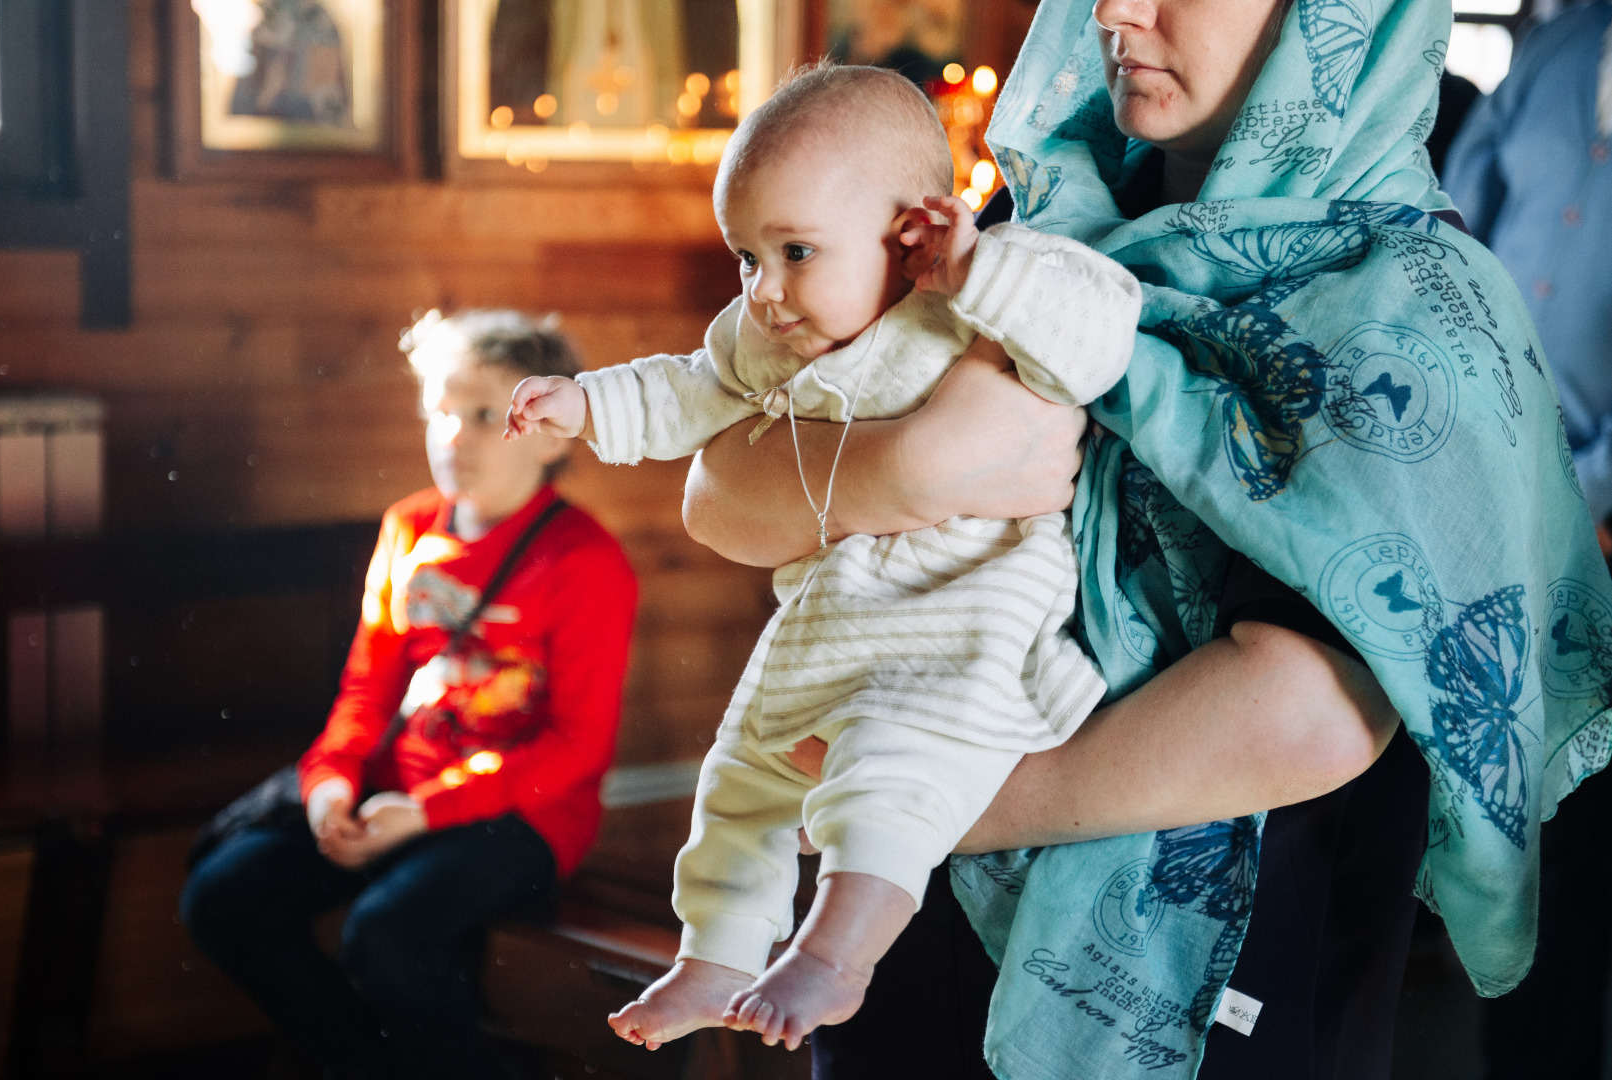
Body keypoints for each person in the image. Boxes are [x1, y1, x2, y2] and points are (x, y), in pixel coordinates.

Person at [679, 0, 1612, 1078]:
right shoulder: (1013, 230)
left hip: (1199, 994)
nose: (1118, 11)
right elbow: (722, 475)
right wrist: (912, 465)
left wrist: (930, 803)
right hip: (898, 949)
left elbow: (1311, 715)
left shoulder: (1413, 304)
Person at [505, 62, 1143, 1053]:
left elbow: (1100, 329)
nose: (763, 293)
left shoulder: (976, 304)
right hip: (828, 627)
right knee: (739, 781)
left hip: (962, 626)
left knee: (889, 776)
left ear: (912, 228)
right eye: (746, 260)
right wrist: (588, 405)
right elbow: (688, 389)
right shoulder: (773, 336)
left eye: (794, 251)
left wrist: (981, 269)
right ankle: (712, 959)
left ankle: (838, 954)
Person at [180, 310, 638, 1080]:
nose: (453, 437)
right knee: (224, 898)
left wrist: (426, 814)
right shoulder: (408, 527)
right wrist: (330, 786)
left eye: (486, 416)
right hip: (398, 790)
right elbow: (367, 686)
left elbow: (574, 748)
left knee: (387, 933)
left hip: (523, 816)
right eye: (442, 412)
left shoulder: (585, 561)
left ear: (555, 435)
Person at [1442, 6, 1612, 1076]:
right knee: (1545, 853)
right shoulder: (1565, 42)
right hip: (1517, 512)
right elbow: (1462, 209)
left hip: (1596, 508)